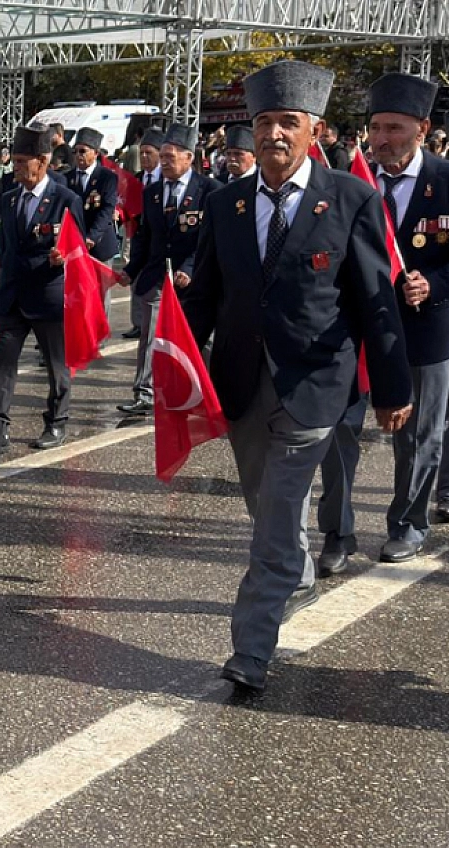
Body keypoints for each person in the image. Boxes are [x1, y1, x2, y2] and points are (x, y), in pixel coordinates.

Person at [182, 61, 412, 694]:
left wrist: (394, 389)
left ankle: (252, 648)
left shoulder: (350, 199)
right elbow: (203, 298)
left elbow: (375, 300)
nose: (274, 134)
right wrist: (175, 373)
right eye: (263, 122)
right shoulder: (223, 203)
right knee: (266, 511)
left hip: (315, 389)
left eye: (288, 122)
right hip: (242, 386)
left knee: (277, 519)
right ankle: (298, 572)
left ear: (314, 130)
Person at [366, 73, 449, 562]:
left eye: (393, 128)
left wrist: (433, 284)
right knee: (338, 432)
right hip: (360, 327)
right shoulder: (353, 178)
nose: (381, 139)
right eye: (375, 127)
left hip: (426, 327)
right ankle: (337, 531)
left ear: (421, 128)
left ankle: (409, 523)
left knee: (420, 434)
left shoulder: (445, 180)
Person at [0, 125, 84, 459]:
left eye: (23, 161)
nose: (16, 167)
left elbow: (77, 248)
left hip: (48, 296)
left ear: (43, 161)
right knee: (4, 365)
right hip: (12, 296)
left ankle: (56, 421)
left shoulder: (66, 200)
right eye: (16, 161)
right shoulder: (9, 198)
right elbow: (7, 244)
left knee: (56, 366)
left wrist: (63, 255)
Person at [114, 123, 214, 416]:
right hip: (158, 275)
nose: (165, 161)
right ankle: (143, 392)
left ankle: (202, 390)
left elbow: (210, 239)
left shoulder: (209, 191)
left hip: (193, 280)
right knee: (150, 335)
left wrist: (190, 267)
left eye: (171, 156)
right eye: (163, 155)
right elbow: (145, 236)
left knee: (197, 337)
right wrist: (131, 269)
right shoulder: (153, 192)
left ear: (188, 158)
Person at [69, 127, 121, 261]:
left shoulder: (107, 177)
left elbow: (107, 209)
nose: (78, 155)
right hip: (74, 246)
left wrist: (92, 236)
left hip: (99, 244)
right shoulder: (67, 177)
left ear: (96, 153)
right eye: (75, 151)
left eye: (83, 151)